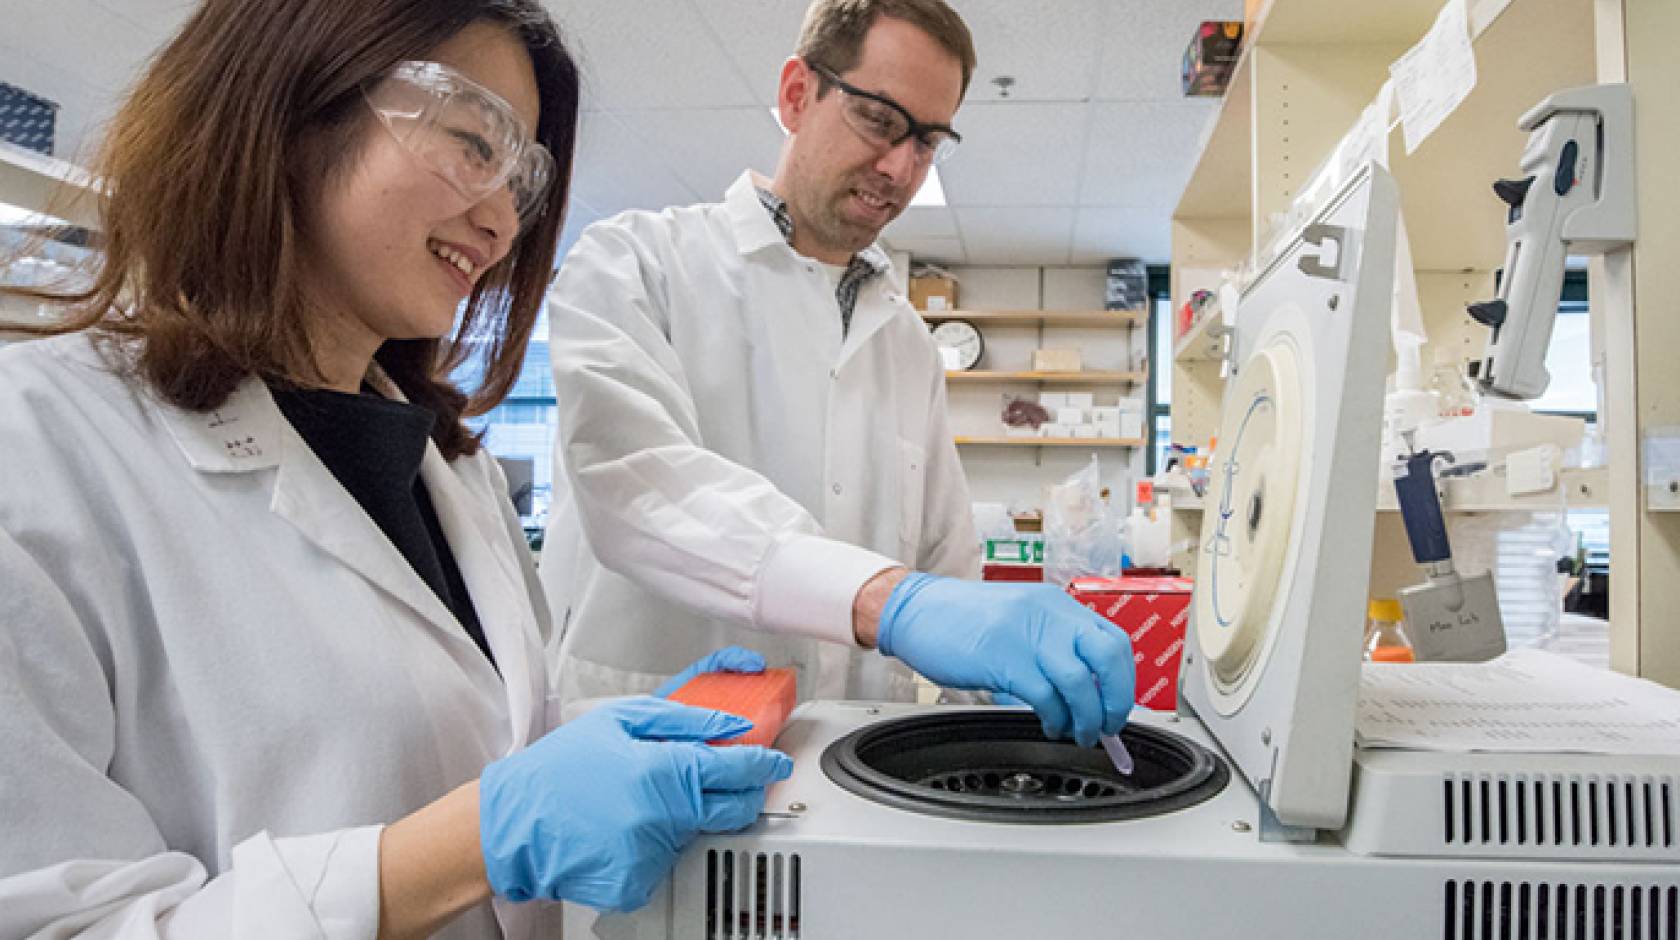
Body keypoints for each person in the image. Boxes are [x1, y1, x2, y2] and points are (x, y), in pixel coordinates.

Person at [0, 1, 791, 936]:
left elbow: (473, 731)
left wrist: (609, 731)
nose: (501, 223)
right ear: (287, 101)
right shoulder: (38, 448)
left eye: (521, 180)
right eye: (471, 143)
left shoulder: (448, 467)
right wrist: (473, 845)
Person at [542, 0, 1136, 746]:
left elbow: (943, 563)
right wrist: (889, 604)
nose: (900, 167)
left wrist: (1014, 696)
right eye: (880, 121)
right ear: (797, 94)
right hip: (644, 749)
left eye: (927, 142)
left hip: (845, 767)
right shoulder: (635, 263)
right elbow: (635, 488)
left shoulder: (908, 341)